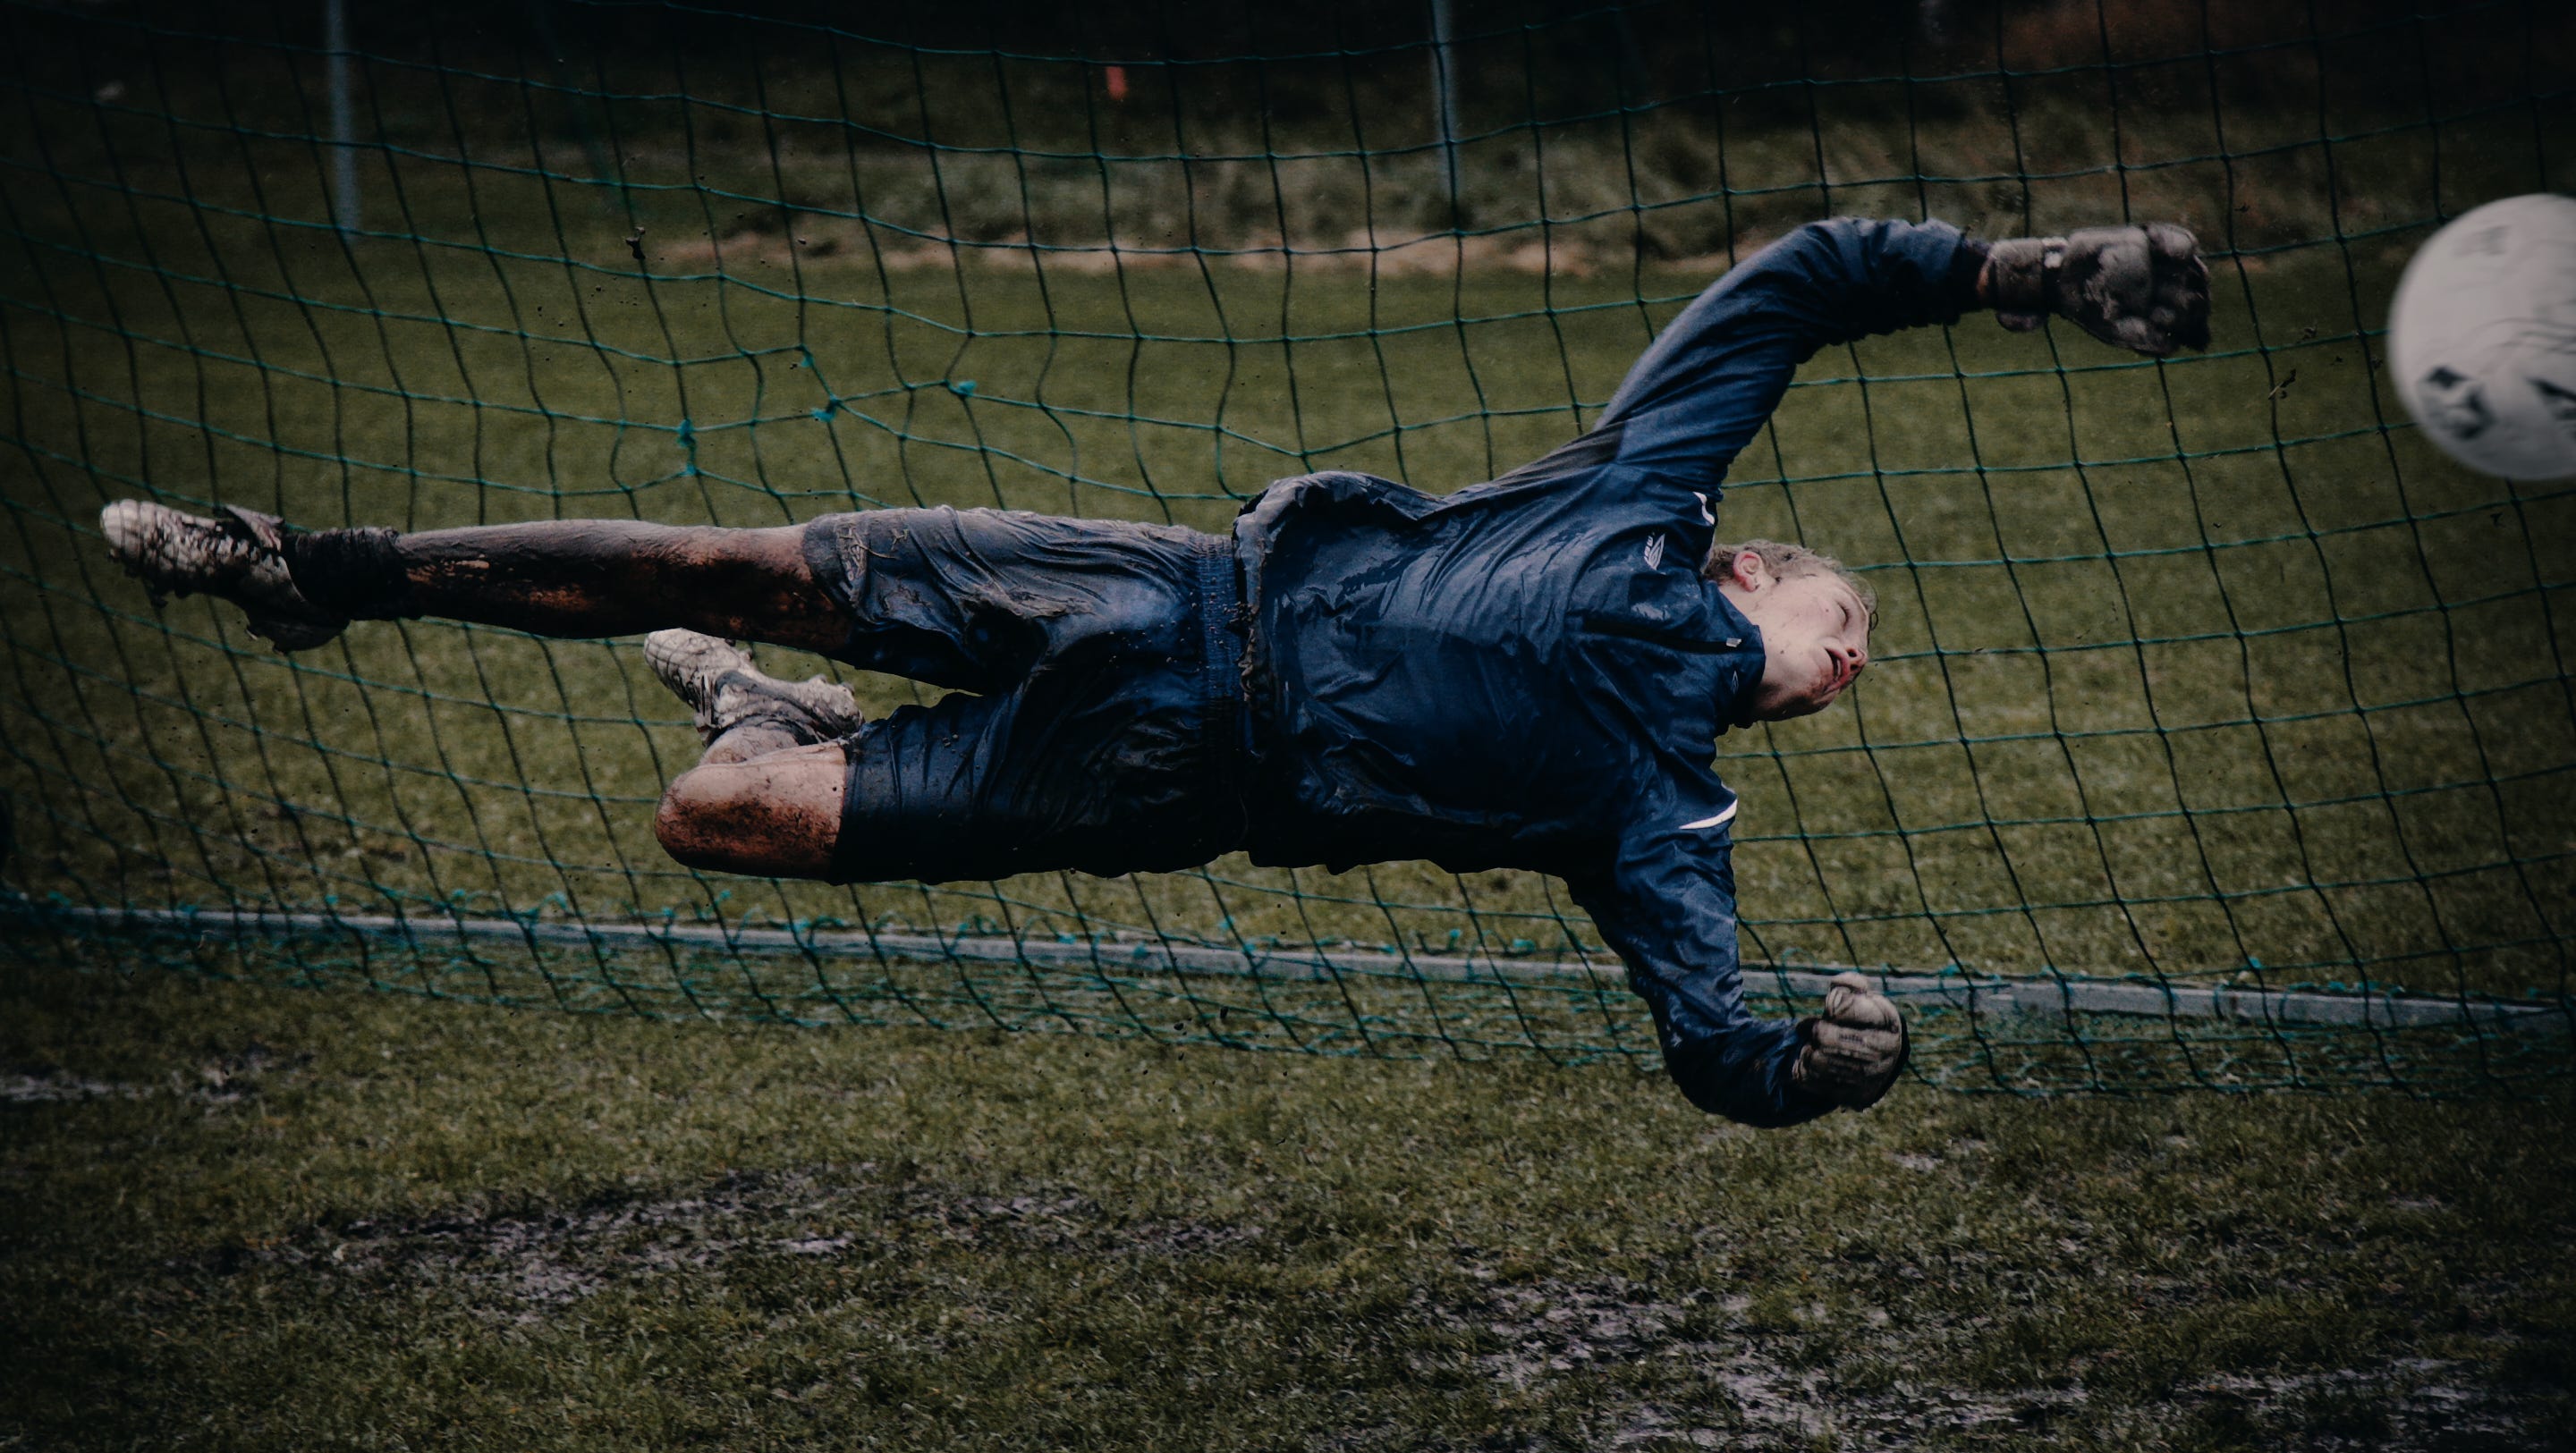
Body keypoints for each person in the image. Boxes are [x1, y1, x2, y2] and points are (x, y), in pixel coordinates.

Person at [97, 218, 2209, 1128]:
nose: (1853, 663)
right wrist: (2023, 276)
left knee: (717, 819)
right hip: (1151, 598)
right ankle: (324, 568)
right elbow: (1803, 282)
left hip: (1157, 791)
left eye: (1857, 670)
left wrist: (1803, 1066)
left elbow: (1704, 1031)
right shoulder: (1643, 488)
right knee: (746, 553)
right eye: (1849, 619)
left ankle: (762, 718)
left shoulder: (1658, 806)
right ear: (1752, 561)